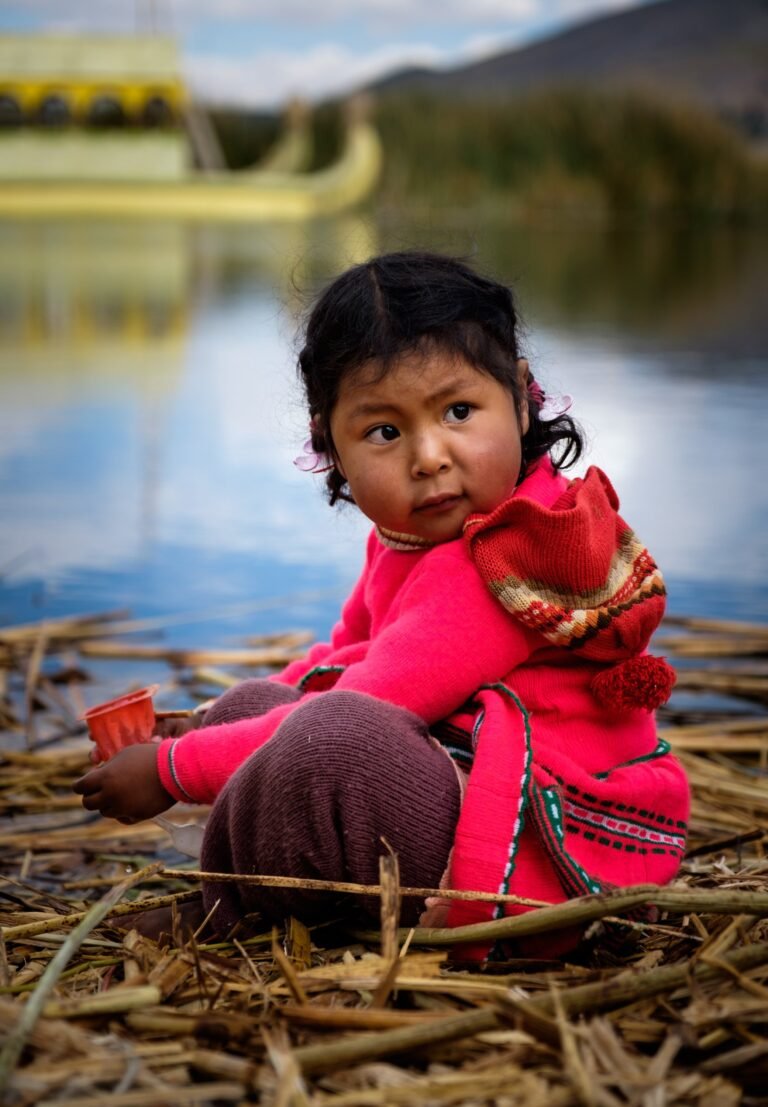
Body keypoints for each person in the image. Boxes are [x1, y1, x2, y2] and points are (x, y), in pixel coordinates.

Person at [74, 251, 689, 956]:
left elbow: (366, 700)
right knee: (260, 704)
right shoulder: (412, 536)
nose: (428, 456)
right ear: (327, 443)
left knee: (332, 738)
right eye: (384, 432)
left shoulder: (505, 560)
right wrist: (199, 723)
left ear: (521, 398)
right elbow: (341, 656)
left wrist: (171, 768)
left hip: (546, 846)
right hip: (467, 768)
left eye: (459, 411)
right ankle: (290, 885)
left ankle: (228, 913)